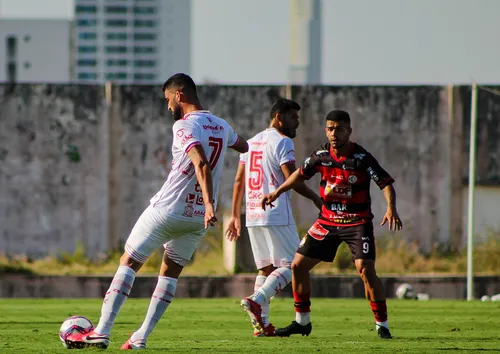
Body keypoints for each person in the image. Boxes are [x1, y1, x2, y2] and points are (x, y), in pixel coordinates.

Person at [69, 73, 248, 350]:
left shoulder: (183, 125)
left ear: (179, 95)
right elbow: (244, 145)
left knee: (128, 262)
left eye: (167, 100)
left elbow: (199, 161)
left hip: (169, 209)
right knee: (169, 273)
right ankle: (140, 336)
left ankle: (102, 330)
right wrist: (209, 204)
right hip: (196, 218)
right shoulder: (221, 125)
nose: (167, 107)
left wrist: (211, 202)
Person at [261, 110, 403, 339]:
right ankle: (302, 322)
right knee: (297, 265)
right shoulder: (320, 155)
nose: (333, 133)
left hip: (357, 222)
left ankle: (382, 325)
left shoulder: (361, 158)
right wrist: (277, 192)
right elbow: (300, 174)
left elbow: (385, 183)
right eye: (329, 128)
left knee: (365, 269)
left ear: (349, 130)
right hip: (327, 221)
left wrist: (391, 207)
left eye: (338, 129)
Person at [225, 98, 322, 337]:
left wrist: (235, 215)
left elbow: (239, 180)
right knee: (293, 265)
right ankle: (257, 300)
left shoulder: (251, 142)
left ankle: (262, 325)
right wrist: (316, 199)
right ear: (278, 117)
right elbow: (292, 179)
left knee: (266, 270)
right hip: (276, 212)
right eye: (292, 118)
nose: (296, 123)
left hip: (253, 215)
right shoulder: (283, 141)